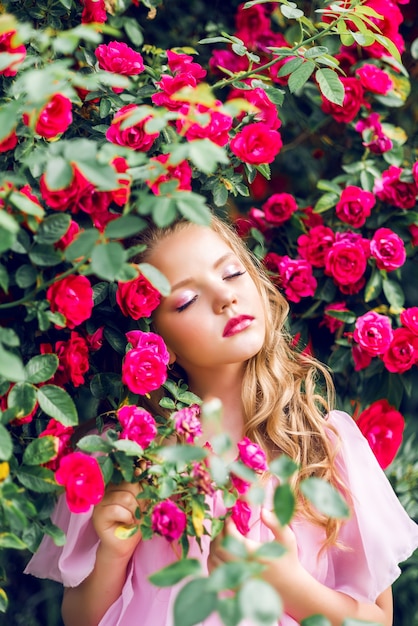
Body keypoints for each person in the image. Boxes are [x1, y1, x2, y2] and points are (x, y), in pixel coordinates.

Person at [25, 215, 418, 626]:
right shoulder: (128, 458)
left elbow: (379, 620)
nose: (225, 298)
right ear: (157, 342)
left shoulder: (326, 446)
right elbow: (81, 620)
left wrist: (287, 585)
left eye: (231, 273)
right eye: (186, 300)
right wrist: (114, 553)